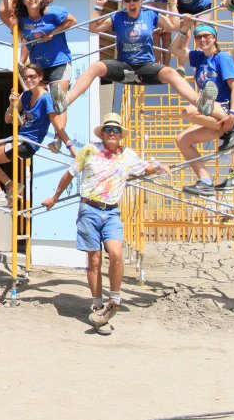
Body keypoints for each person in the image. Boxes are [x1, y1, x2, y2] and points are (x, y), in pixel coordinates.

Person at [40, 113, 170, 333]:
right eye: (108, 129)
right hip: (89, 209)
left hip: (111, 212)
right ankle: (98, 306)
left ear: (121, 135)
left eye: (116, 130)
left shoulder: (127, 155)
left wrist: (159, 166)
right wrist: (54, 198)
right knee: (95, 259)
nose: (112, 133)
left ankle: (114, 300)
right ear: (102, 133)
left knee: (116, 253)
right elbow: (69, 175)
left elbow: (144, 167)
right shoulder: (90, 150)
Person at [51, 0, 217, 118]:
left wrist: (172, 3)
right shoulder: (117, 17)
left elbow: (174, 26)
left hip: (146, 67)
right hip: (124, 66)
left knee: (171, 73)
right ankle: (65, 101)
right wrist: (98, 7)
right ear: (123, 1)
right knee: (96, 67)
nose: (131, 3)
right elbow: (94, 28)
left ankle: (200, 102)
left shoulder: (150, 14)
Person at [0, 64, 74, 205]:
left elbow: (57, 124)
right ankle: (11, 185)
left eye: (32, 76)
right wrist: (11, 104)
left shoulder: (45, 99)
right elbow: (8, 119)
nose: (28, 80)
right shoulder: (26, 95)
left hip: (26, 143)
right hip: (18, 140)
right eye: (26, 77)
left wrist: (70, 146)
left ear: (40, 77)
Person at [170, 19, 234, 196]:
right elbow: (174, 50)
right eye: (198, 37)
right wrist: (184, 28)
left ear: (214, 38)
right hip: (215, 115)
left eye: (207, 36)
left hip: (230, 110)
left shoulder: (222, 58)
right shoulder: (199, 58)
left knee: (190, 110)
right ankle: (205, 181)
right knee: (182, 139)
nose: (203, 40)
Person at [3, 0, 77, 148]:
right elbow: (25, 41)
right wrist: (21, 60)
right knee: (35, 100)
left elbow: (72, 20)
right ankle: (30, 135)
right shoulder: (23, 20)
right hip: (38, 67)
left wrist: (52, 33)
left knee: (58, 97)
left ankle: (59, 137)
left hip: (58, 61)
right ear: (24, 1)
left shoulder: (52, 12)